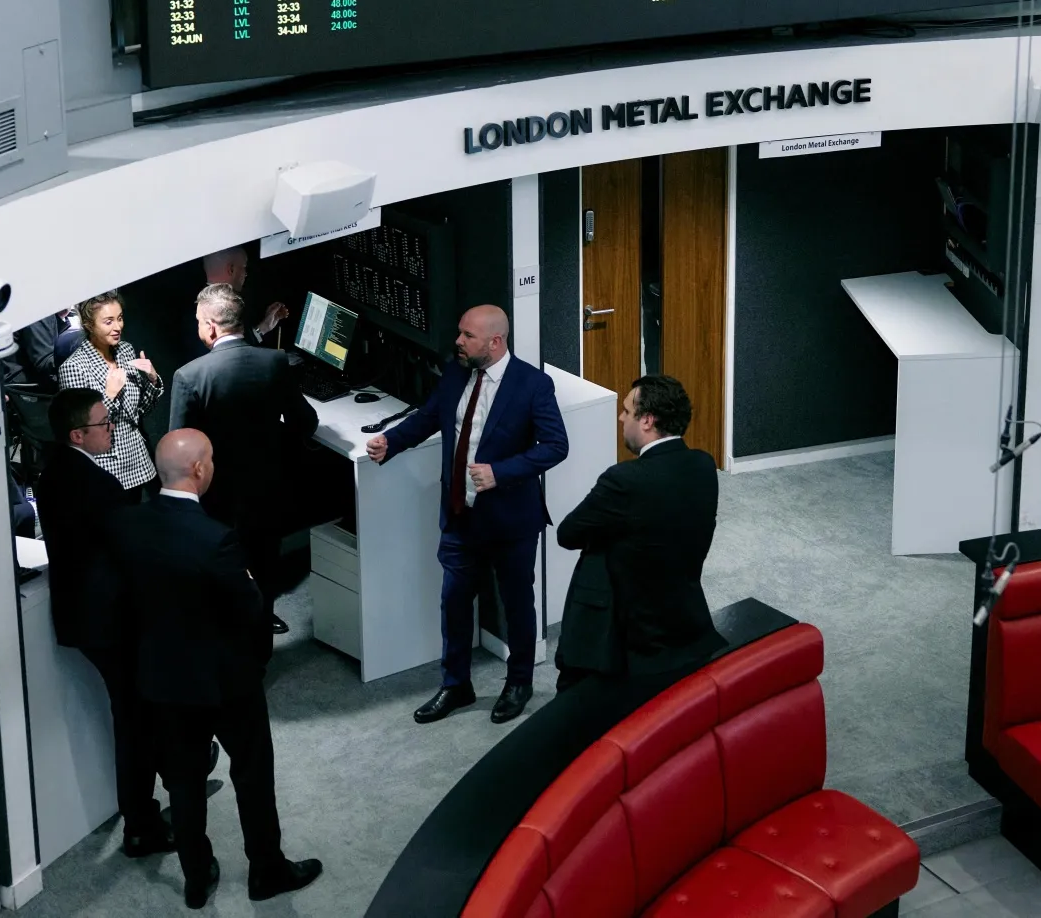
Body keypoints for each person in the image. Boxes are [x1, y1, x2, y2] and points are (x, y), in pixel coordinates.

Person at [113, 430, 322, 908]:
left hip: (164, 681)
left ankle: (196, 875)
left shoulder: (129, 525)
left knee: (183, 785)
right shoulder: (217, 539)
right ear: (201, 470)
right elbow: (250, 608)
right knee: (252, 775)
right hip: (227, 681)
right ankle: (266, 869)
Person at [365, 305, 569, 726]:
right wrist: (392, 442)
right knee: (454, 603)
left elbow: (555, 446)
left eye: (467, 336)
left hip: (510, 521)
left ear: (495, 342)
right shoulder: (456, 372)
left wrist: (501, 472)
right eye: (459, 333)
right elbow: (429, 418)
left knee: (517, 604)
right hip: (460, 516)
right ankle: (456, 684)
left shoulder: (533, 385)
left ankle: (519, 682)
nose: (458, 342)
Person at [36, 388, 172, 857]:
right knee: (136, 718)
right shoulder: (99, 487)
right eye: (102, 423)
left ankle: (166, 783)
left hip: (81, 617)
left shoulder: (52, 473)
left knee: (135, 712)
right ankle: (141, 822)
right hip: (112, 621)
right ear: (78, 433)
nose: (111, 428)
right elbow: (129, 553)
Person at [168, 284, 321, 635]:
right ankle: (261, 643)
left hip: (215, 501)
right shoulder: (274, 362)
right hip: (269, 490)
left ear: (210, 326)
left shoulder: (190, 376)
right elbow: (305, 421)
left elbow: (180, 449)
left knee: (221, 577)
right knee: (265, 568)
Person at [554, 375, 723, 691]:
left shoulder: (624, 479)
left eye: (627, 411)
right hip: (685, 616)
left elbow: (568, 534)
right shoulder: (703, 465)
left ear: (647, 421)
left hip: (634, 633)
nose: (621, 417)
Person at [58, 292, 163, 492]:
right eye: (108, 322)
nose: (118, 327)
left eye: (120, 318)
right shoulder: (74, 368)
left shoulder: (126, 351)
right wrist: (109, 395)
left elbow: (141, 411)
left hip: (139, 462)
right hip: (104, 468)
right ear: (89, 325)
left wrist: (152, 380)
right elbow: (80, 430)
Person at [203, 246, 291, 345]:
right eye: (244, 267)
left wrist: (263, 328)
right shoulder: (205, 314)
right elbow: (232, 353)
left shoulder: (205, 308)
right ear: (231, 269)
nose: (246, 274)